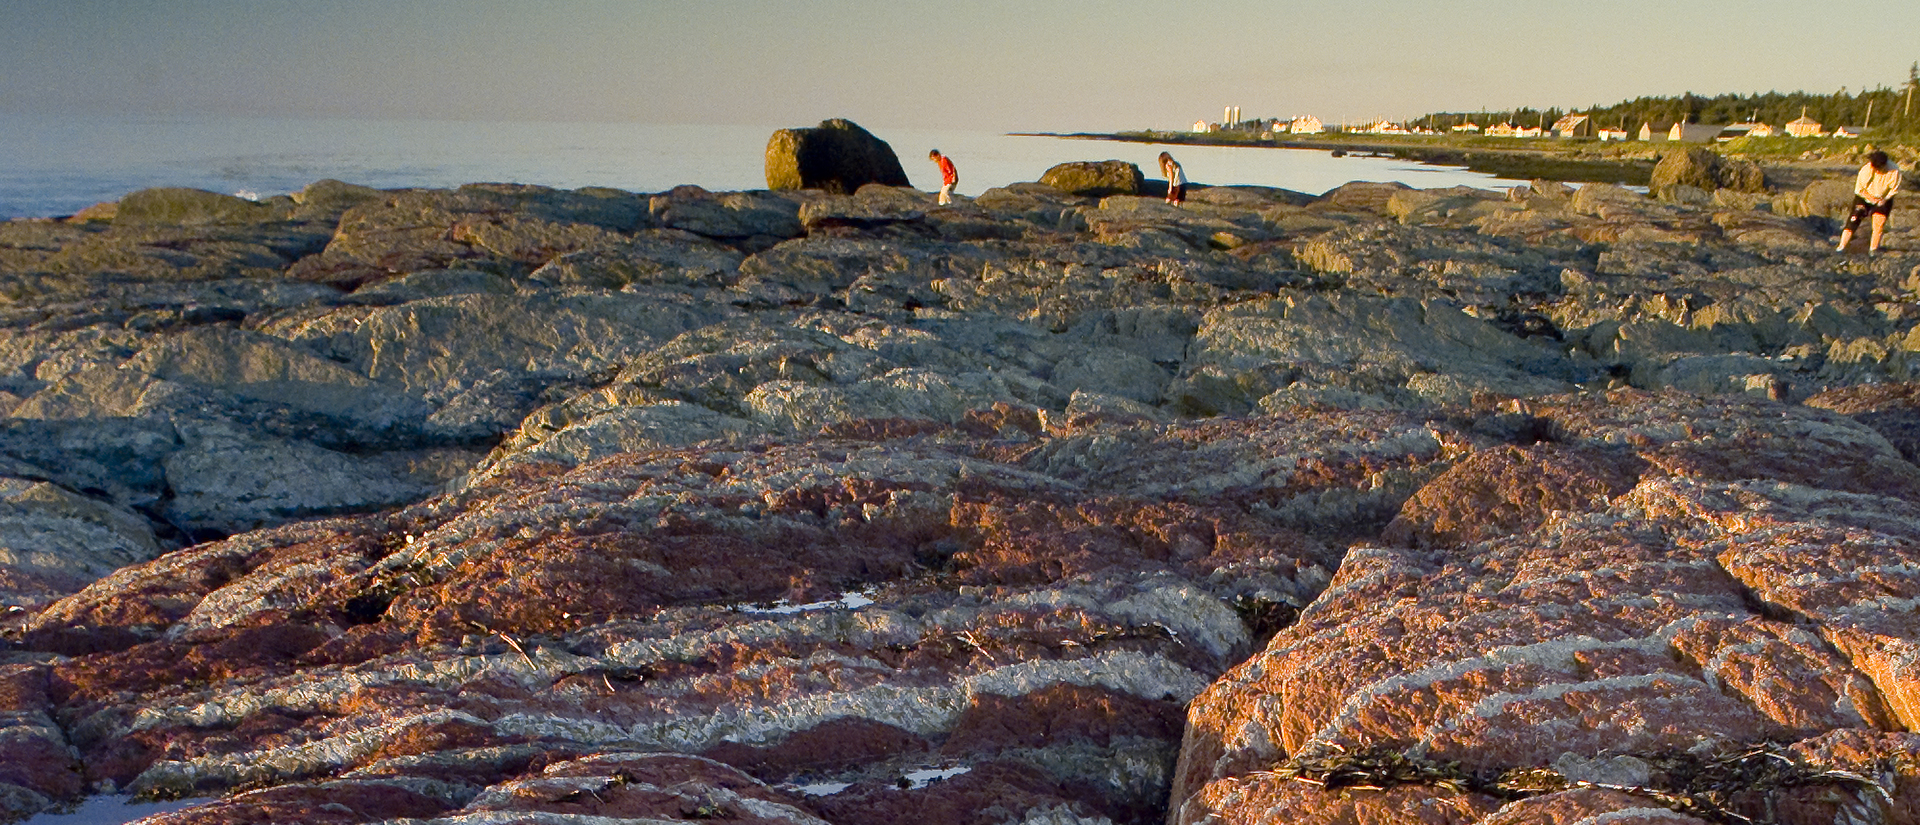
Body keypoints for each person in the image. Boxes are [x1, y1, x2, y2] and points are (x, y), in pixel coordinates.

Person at [1837, 150, 1902, 254]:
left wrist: (1883, 200)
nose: (1878, 171)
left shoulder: (1894, 170)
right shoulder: (1866, 170)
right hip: (1864, 196)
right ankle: (1841, 247)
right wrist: (1871, 198)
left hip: (1884, 198)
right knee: (1854, 220)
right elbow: (1859, 190)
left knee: (1879, 224)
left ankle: (1873, 250)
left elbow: (1893, 190)